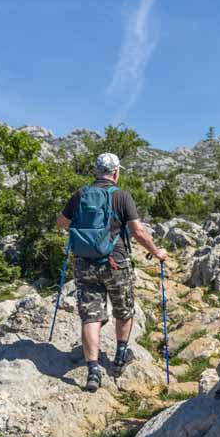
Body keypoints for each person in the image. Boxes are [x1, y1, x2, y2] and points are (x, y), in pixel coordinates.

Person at [57, 152, 168, 392]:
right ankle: (119, 356)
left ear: (96, 171)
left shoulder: (81, 194)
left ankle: (93, 371)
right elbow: (138, 232)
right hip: (115, 262)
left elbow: (61, 223)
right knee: (124, 310)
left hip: (84, 264)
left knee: (90, 316)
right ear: (116, 172)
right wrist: (156, 251)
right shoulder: (121, 196)